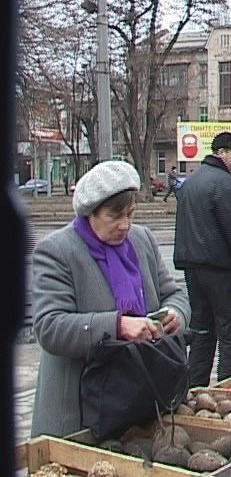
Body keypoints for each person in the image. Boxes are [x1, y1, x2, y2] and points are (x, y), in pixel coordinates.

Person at [30, 161, 190, 438]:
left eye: (130, 214)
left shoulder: (142, 240)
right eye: (115, 217)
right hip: (79, 412)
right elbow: (49, 327)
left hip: (138, 402)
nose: (125, 225)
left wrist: (175, 314)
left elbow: (174, 294)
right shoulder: (57, 251)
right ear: (91, 213)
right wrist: (118, 326)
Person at [174, 132, 231, 387]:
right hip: (218, 269)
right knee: (227, 332)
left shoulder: (189, 183)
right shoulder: (223, 183)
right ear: (221, 152)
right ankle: (227, 388)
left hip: (191, 267)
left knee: (201, 331)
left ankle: (194, 388)